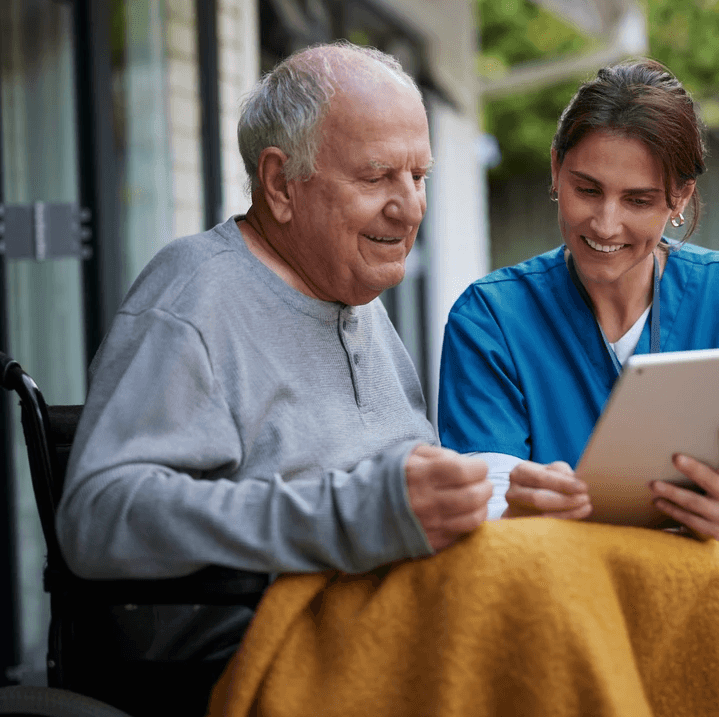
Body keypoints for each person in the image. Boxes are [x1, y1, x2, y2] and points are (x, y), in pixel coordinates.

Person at [56, 41, 491, 715]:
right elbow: (98, 514)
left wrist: (498, 495)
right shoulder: (194, 297)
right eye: (377, 177)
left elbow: (388, 494)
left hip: (386, 620)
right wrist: (353, 515)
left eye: (419, 176)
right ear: (281, 184)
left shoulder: (354, 299)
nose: (410, 208)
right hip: (262, 655)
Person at [437, 58, 719, 716]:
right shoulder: (490, 320)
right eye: (586, 188)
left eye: (637, 200)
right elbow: (481, 508)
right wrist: (516, 507)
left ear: (678, 199)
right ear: (554, 170)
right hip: (562, 624)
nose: (604, 223)